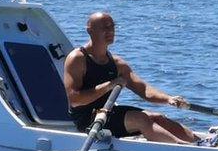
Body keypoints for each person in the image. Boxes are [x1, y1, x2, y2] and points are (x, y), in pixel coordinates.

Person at [63, 12, 199, 144]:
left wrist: (168, 99)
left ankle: (200, 143)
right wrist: (110, 85)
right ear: (90, 31)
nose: (110, 31)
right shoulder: (77, 59)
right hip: (88, 120)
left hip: (108, 112)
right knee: (141, 119)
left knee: (158, 118)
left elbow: (144, 89)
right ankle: (183, 148)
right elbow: (75, 100)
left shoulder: (117, 63)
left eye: (112, 27)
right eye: (105, 27)